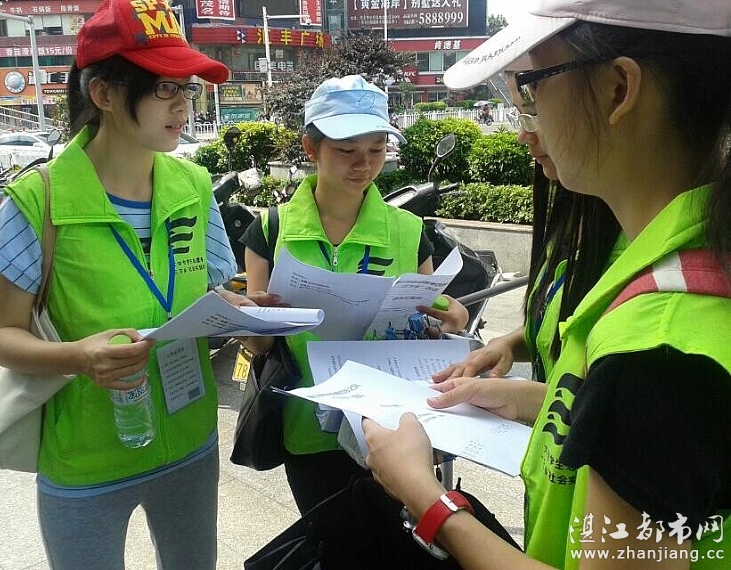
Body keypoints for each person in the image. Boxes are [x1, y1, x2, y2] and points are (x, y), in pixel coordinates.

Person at [364, 1, 731, 568]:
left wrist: (424, 495)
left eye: (532, 89)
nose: (524, 129)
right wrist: (534, 399)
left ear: (618, 90)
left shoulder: (658, 349)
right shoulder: (687, 270)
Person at [0, 0, 250, 567]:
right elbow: (2, 338)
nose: (184, 105)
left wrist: (244, 309)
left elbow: (211, 290)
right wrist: (79, 357)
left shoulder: (195, 186)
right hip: (87, 461)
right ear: (102, 92)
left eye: (187, 88)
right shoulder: (39, 200)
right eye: (165, 88)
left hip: (190, 439)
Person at [239, 74, 469, 515]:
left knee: (395, 544)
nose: (363, 164)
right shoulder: (270, 230)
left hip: (391, 427)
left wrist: (450, 320)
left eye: (377, 150)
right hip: (309, 429)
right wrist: (252, 321)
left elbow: (429, 317)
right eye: (347, 151)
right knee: (329, 541)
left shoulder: (409, 231)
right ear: (311, 148)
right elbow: (259, 346)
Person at [439, 76, 623, 383]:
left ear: (620, 92)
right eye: (519, 115)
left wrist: (532, 400)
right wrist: (509, 344)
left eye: (534, 113)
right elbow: (558, 328)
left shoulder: (650, 253)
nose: (523, 136)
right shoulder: (571, 218)